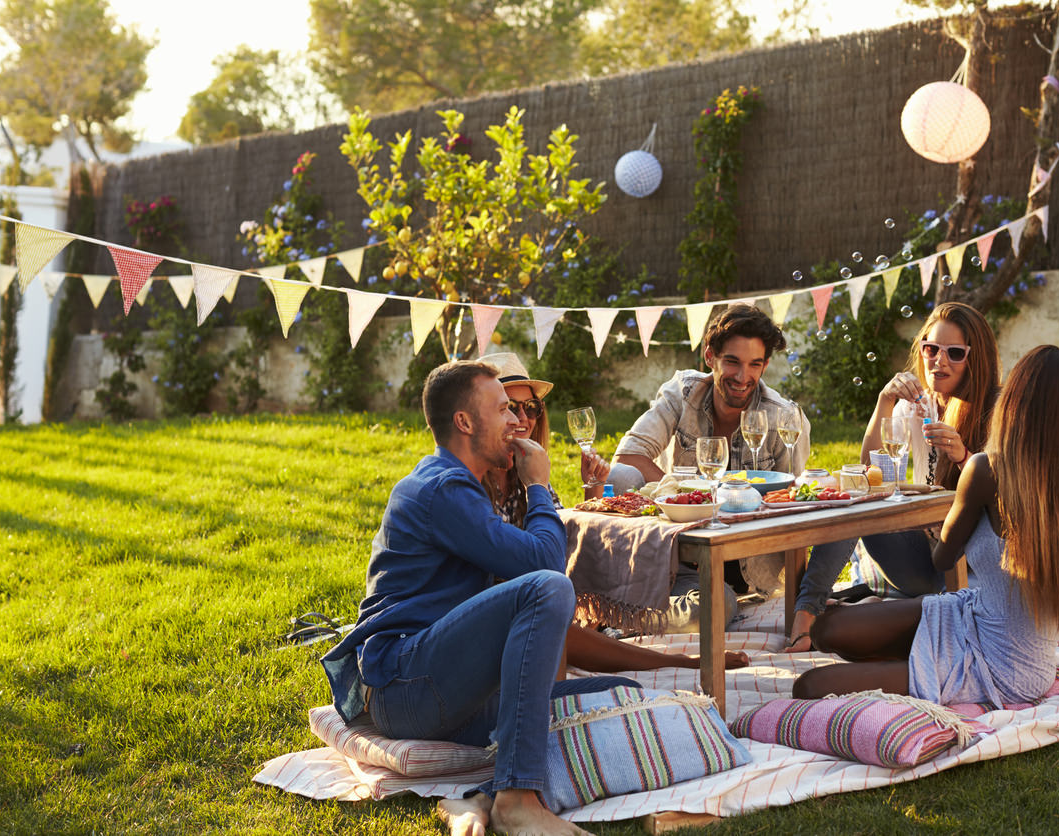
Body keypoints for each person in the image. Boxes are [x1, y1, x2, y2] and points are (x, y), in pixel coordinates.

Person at [320, 360, 628, 836]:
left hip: (451, 686)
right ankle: (517, 801)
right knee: (547, 588)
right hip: (407, 689)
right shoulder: (442, 489)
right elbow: (543, 565)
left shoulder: (464, 486)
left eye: (522, 410)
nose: (517, 422)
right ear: (465, 422)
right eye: (504, 409)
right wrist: (539, 484)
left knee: (616, 696)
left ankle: (472, 795)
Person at [792, 346, 1059, 704]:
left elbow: (942, 558)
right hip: (970, 613)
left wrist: (947, 494)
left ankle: (916, 668)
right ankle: (913, 665)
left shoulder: (988, 470)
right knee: (827, 628)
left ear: (1014, 405)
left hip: (1004, 667)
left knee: (808, 687)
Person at [479, 351, 749, 671]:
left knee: (718, 596)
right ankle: (641, 641)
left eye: (531, 407)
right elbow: (540, 566)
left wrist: (592, 493)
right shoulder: (474, 489)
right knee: (709, 607)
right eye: (510, 407)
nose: (522, 418)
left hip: (569, 602)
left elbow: (568, 543)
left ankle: (619, 626)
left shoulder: (529, 474)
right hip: (532, 615)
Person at [787, 302, 1001, 652]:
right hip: (922, 562)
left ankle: (876, 610)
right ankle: (806, 613)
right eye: (931, 349)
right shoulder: (916, 405)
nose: (939, 361)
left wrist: (964, 458)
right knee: (855, 491)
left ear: (975, 359)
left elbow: (1006, 508)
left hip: (975, 572)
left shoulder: (998, 410)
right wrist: (884, 403)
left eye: (955, 353)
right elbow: (873, 474)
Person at [610, 303, 812, 631]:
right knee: (618, 478)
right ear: (710, 357)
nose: (742, 377)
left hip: (744, 567)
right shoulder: (683, 393)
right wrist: (688, 500)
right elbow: (628, 458)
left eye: (754, 365)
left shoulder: (784, 418)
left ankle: (628, 617)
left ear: (765, 366)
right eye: (731, 362)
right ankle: (630, 602)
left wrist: (802, 598)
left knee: (716, 606)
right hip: (682, 555)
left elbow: (796, 510)